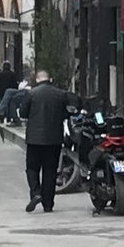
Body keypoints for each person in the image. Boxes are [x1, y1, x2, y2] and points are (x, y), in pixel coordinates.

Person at [23, 70, 71, 212]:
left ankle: (36, 193)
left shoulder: (31, 93)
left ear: (38, 79)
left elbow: (23, 112)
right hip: (54, 139)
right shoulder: (60, 94)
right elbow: (66, 113)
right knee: (50, 170)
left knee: (32, 168)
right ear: (49, 79)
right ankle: (48, 204)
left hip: (34, 139)